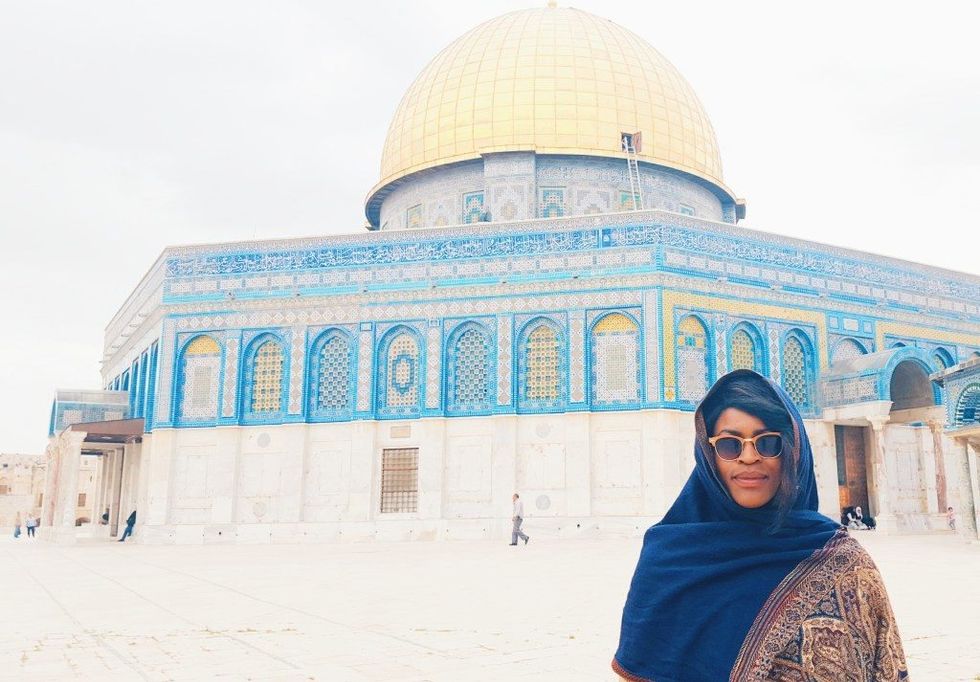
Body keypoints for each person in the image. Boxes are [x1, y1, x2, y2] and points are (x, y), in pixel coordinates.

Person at [613, 370, 908, 681]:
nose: (749, 457)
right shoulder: (668, 563)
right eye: (729, 445)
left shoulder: (844, 562)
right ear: (709, 455)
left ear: (793, 450)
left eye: (768, 443)